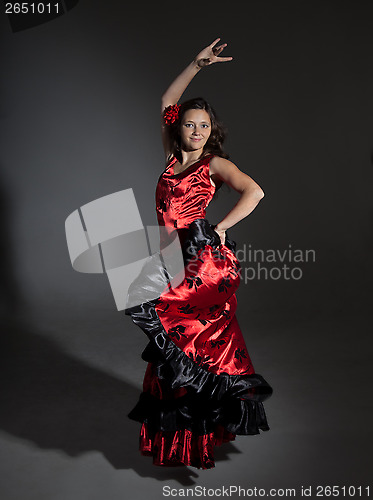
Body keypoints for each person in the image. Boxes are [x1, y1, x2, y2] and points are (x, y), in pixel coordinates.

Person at [125, 38, 273, 470]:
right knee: (179, 347)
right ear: (179, 128)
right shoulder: (171, 158)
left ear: (212, 131)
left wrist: (221, 227)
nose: (196, 131)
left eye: (204, 126)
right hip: (169, 257)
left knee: (182, 336)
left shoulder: (213, 164)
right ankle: (180, 442)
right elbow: (168, 100)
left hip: (201, 260)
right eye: (190, 125)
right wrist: (197, 64)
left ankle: (197, 438)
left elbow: (255, 191)